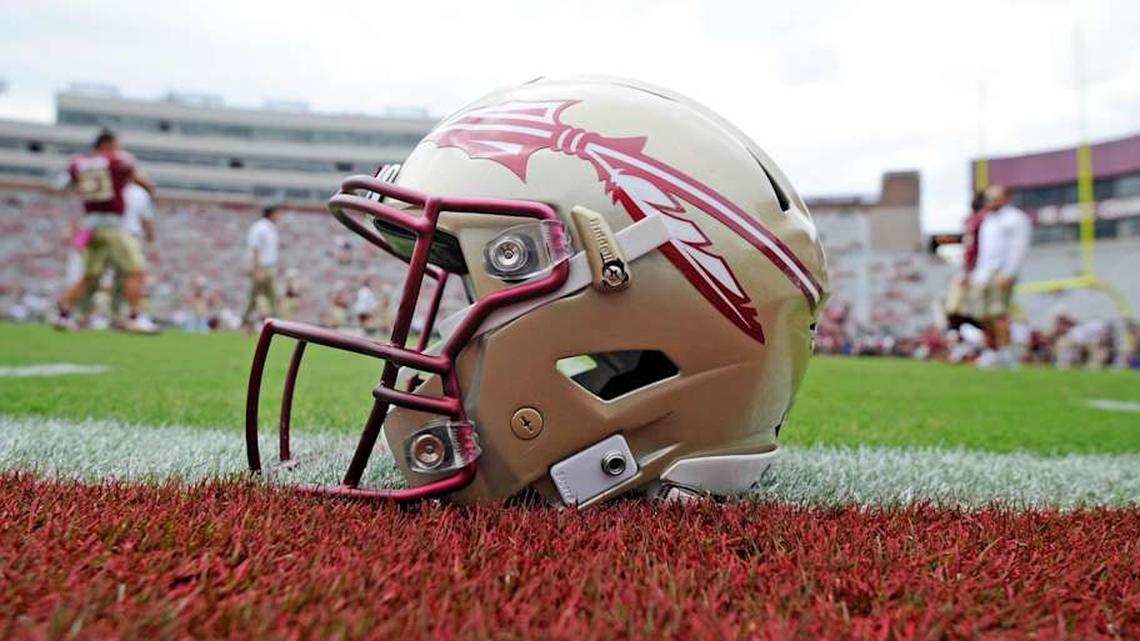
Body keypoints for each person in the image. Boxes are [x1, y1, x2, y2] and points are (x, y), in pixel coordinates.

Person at [54, 130, 159, 333]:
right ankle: (136, 317)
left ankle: (62, 314)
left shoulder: (79, 163)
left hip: (89, 226)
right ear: (107, 145)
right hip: (112, 225)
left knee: (89, 275)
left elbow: (62, 183)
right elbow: (144, 182)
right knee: (137, 271)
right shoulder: (117, 161)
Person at [77, 182, 158, 327]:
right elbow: (148, 220)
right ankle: (115, 316)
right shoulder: (117, 190)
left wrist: (82, 241)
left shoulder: (132, 192)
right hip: (117, 235)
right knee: (121, 276)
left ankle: (111, 316)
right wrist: (152, 243)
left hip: (113, 235)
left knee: (116, 278)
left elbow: (91, 216)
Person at [971, 185, 1032, 368]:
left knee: (999, 314)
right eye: (989, 198)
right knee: (983, 314)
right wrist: (977, 273)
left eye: (994, 198)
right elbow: (985, 250)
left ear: (1005, 199)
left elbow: (1018, 248)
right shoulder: (988, 220)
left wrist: (1009, 272)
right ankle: (994, 349)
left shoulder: (1016, 219)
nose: (990, 201)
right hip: (984, 273)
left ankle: (1006, 353)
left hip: (1001, 272)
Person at [945, 191, 989, 332]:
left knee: (979, 310)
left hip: (978, 269)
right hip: (974, 269)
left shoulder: (983, 220)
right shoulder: (977, 220)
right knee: (957, 308)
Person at [242, 203, 283, 328]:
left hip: (270, 267)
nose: (280, 216)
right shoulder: (260, 227)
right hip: (262, 267)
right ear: (271, 213)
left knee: (273, 296)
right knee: (253, 297)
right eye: (278, 213)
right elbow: (255, 248)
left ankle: (275, 324)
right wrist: (257, 269)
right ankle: (245, 321)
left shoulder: (271, 228)